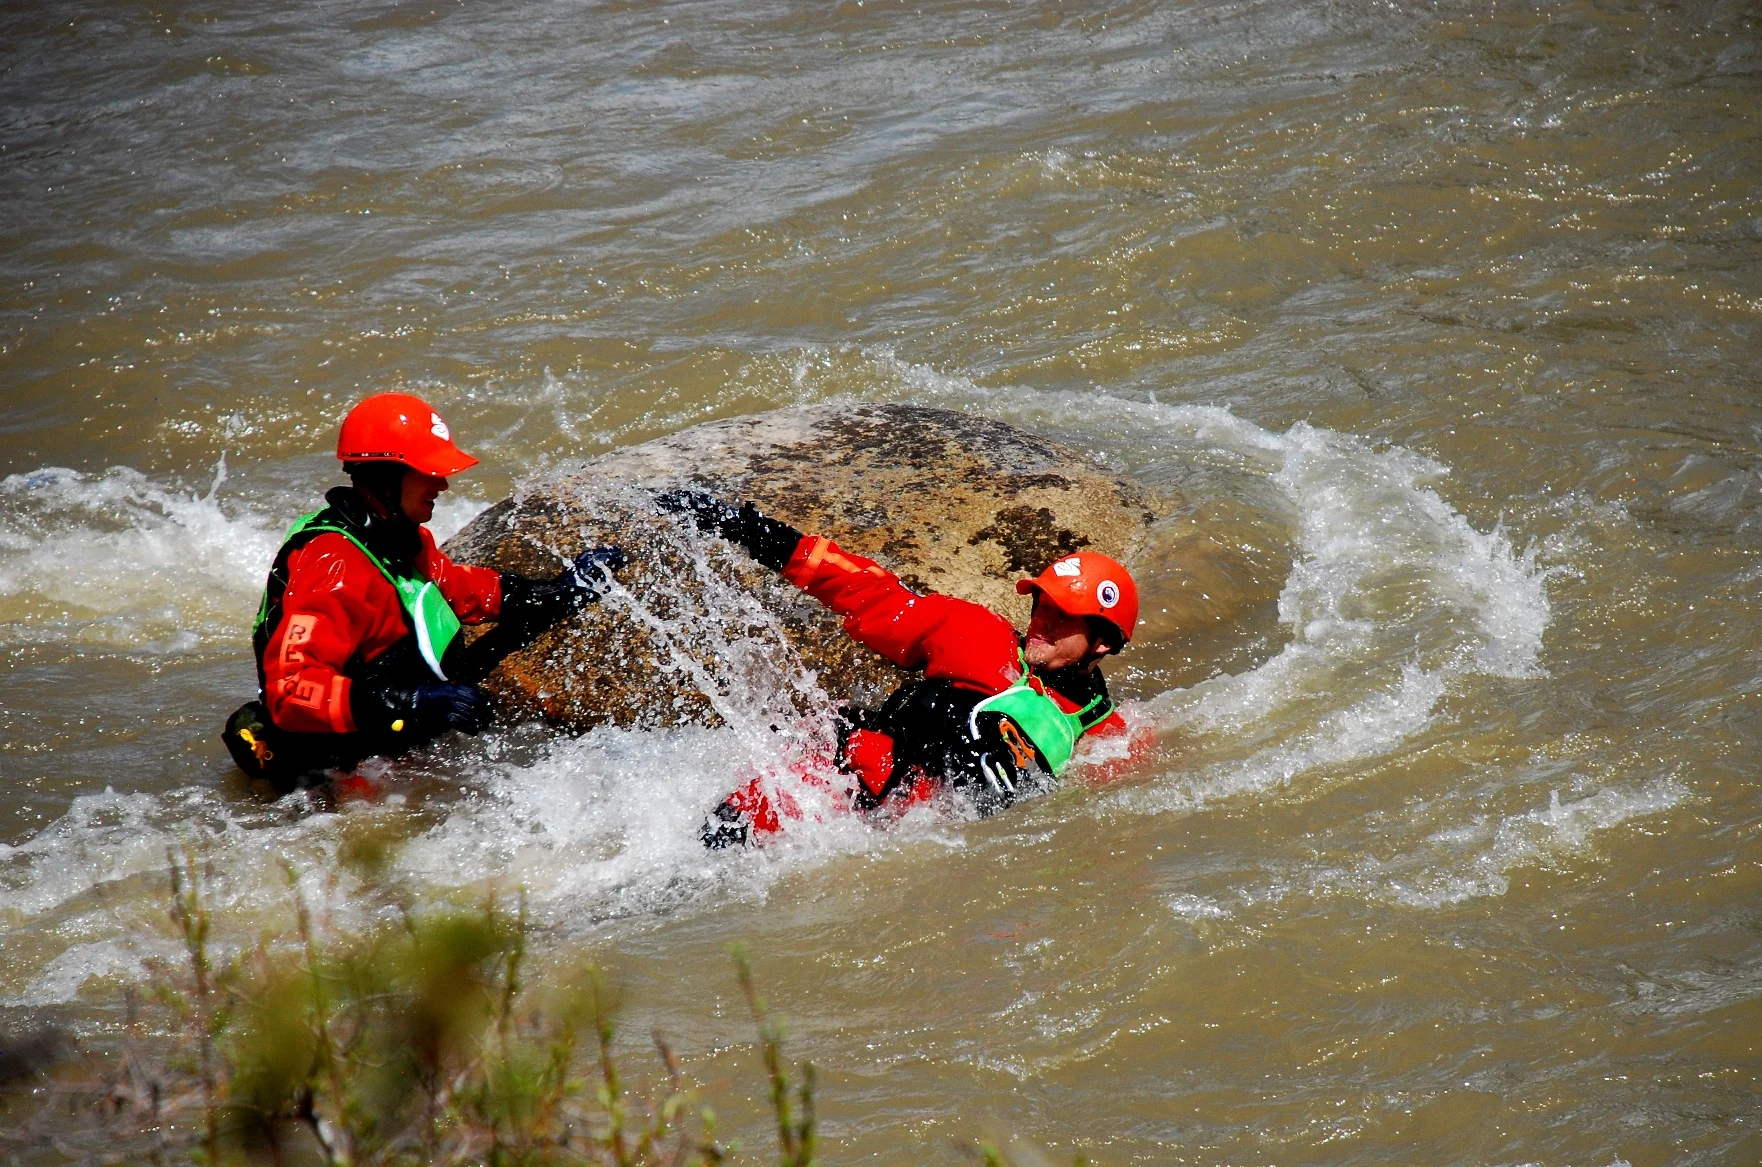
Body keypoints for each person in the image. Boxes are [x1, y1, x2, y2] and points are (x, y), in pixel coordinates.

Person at [659, 492, 1138, 847]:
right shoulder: (972, 633)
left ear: (1103, 642)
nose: (1042, 621)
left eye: (1063, 616)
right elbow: (864, 591)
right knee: (699, 862)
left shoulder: (1106, 737)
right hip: (830, 783)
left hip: (901, 844)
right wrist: (748, 528)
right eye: (1041, 604)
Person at [223, 392, 625, 793]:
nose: (443, 484)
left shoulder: (397, 539)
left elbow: (458, 589)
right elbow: (291, 692)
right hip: (332, 770)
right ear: (384, 478)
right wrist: (409, 701)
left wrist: (555, 591)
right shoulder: (335, 567)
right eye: (428, 472)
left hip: (385, 737)